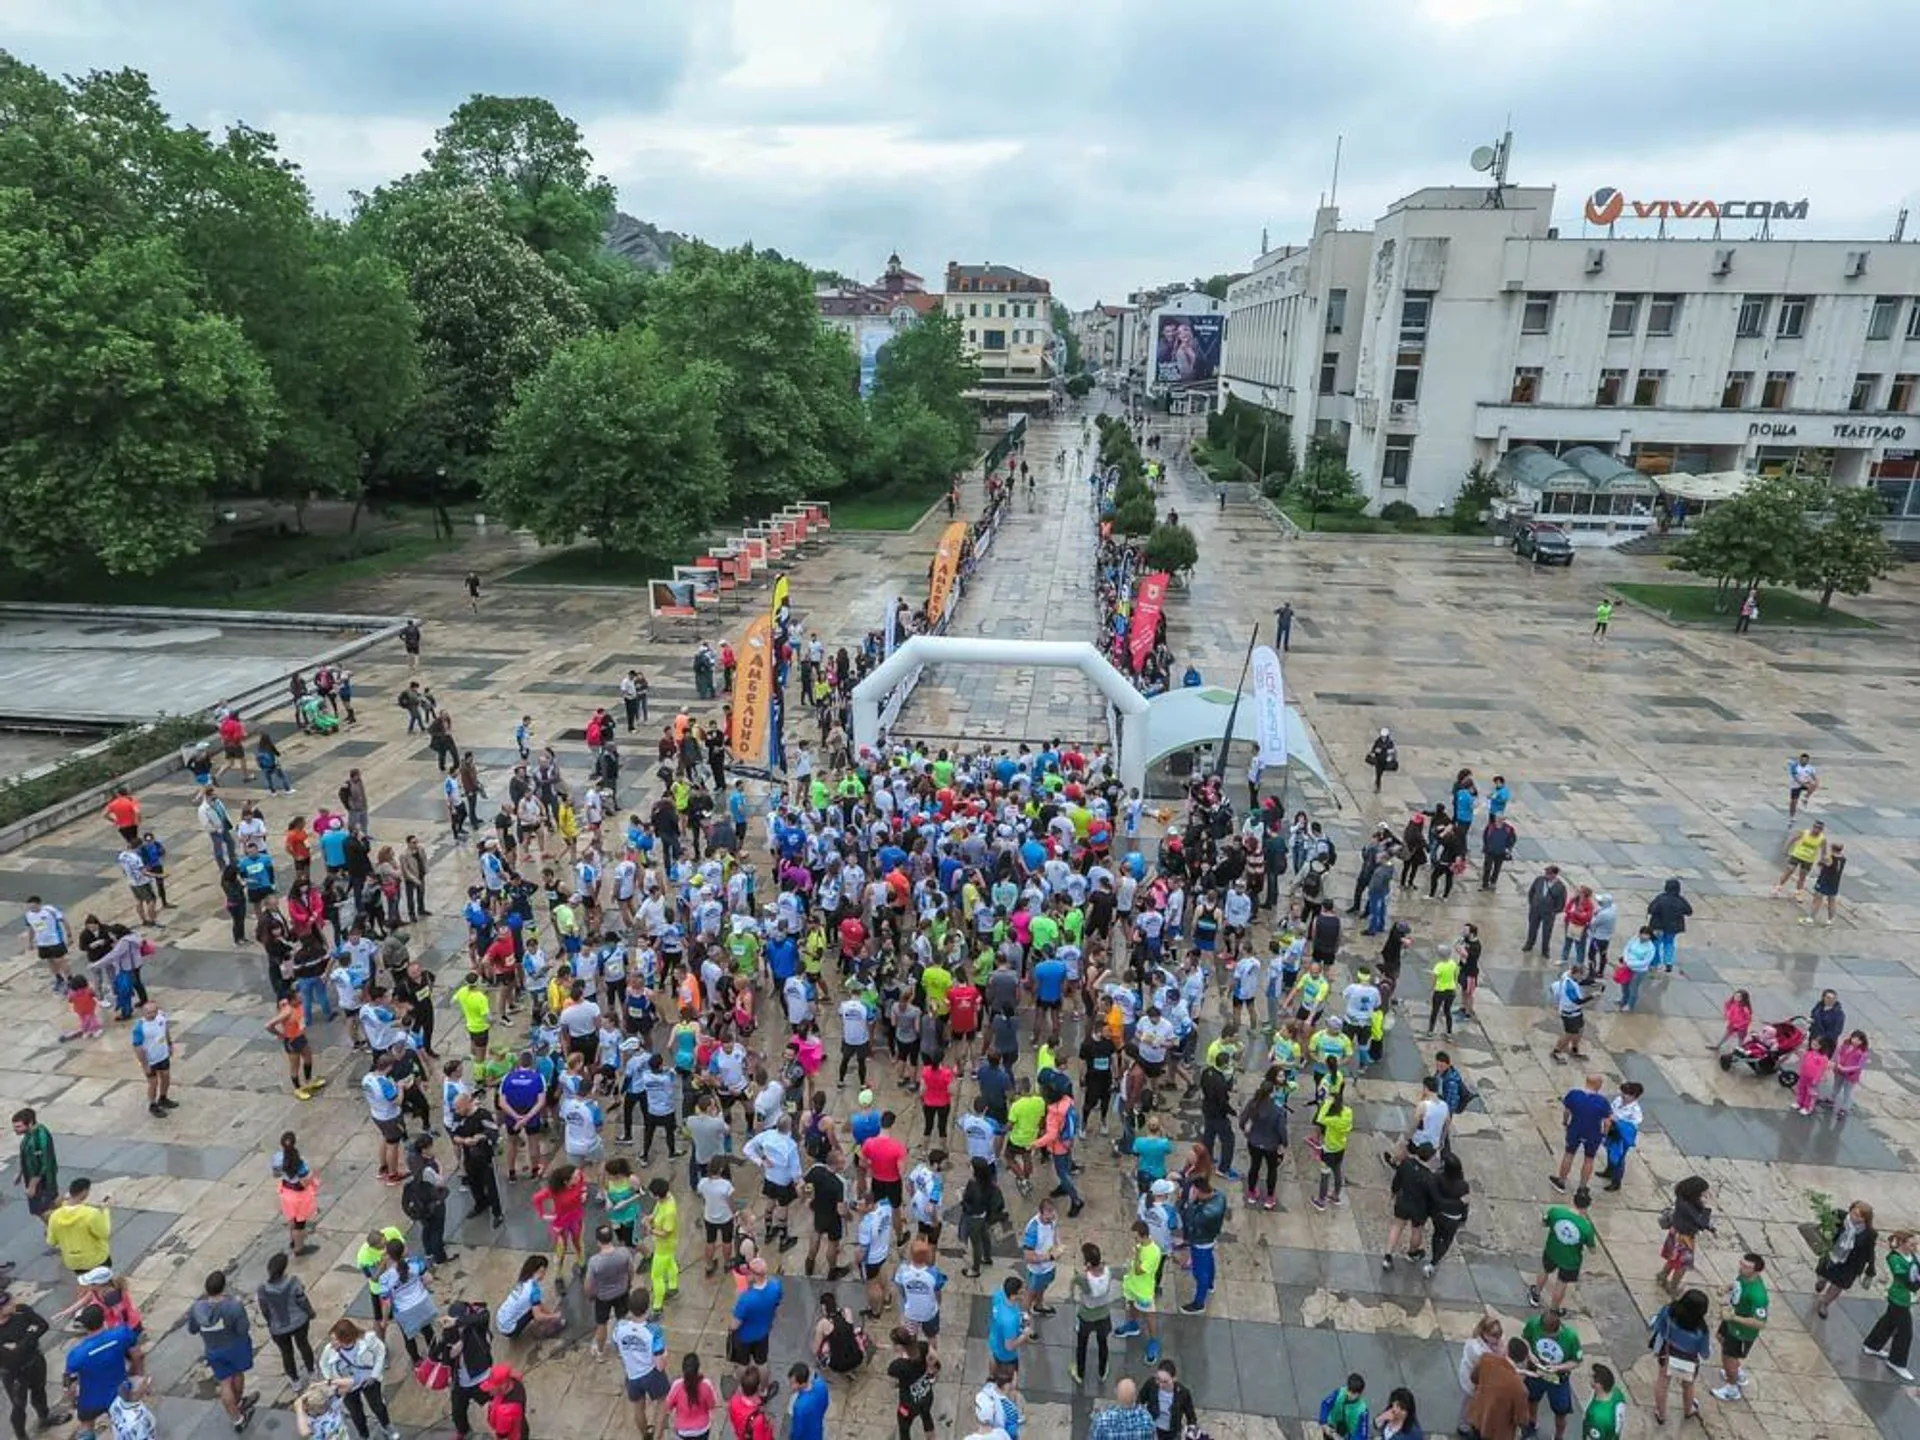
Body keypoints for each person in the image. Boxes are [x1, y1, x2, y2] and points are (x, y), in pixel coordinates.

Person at [187, 1271, 258, 1431]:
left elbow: (192, 1329)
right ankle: (237, 1403)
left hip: (213, 1350)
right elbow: (243, 1329)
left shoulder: (197, 1308)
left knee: (225, 1382)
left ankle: (237, 1419)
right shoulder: (233, 1306)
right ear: (223, 1287)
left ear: (206, 1289)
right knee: (237, 1374)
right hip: (234, 1348)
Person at [0, 1289, 70, 1440]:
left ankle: (44, 1418)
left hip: (35, 1361)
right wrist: (30, 1332)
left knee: (39, 1391)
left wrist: (20, 1344)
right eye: (8, 1304)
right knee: (19, 1406)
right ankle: (21, 1436)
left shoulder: (22, 1310)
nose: (13, 1303)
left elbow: (43, 1325)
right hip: (14, 1375)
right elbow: (11, 1357)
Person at [62, 1307, 140, 1440]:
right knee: (126, 1424)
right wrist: (135, 1373)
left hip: (90, 1400)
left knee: (86, 1427)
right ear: (103, 1319)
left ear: (84, 1326)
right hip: (120, 1393)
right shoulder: (122, 1334)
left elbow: (69, 1383)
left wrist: (71, 1401)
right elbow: (137, 1355)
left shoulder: (77, 1354)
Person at [1648, 1287, 1711, 1426]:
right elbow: (1705, 1353)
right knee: (1688, 1386)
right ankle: (1688, 1410)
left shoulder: (1669, 1312)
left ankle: (1661, 1413)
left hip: (1667, 1354)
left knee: (1662, 1383)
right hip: (1689, 1361)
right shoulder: (1701, 1330)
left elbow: (1659, 1326)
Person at [1712, 1251, 1769, 1402]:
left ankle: (1732, 1388)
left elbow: (1760, 1322)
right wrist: (1726, 1288)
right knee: (1720, 1337)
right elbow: (1737, 1284)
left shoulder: (1758, 1295)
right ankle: (1736, 1371)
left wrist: (1733, 1318)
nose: (1741, 1268)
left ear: (1756, 1271)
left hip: (1741, 1332)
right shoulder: (1744, 1276)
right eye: (1741, 1264)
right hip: (1731, 1319)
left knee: (1728, 1358)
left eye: (1746, 1267)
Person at [1530, 1186, 1597, 1312]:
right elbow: (1592, 1250)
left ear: (1573, 1200)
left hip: (1552, 1251)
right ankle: (1554, 1310)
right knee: (1561, 1283)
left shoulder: (1556, 1212)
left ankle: (1536, 1294)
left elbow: (1543, 1223)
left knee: (1545, 1270)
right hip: (1570, 1261)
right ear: (1587, 1206)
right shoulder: (1586, 1228)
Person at [1863, 1229, 1919, 1382]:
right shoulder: (1894, 1259)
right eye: (1912, 1244)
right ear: (1902, 1243)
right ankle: (1897, 1362)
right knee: (1905, 1332)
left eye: (1916, 1244)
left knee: (1889, 1321)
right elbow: (1905, 1278)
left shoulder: (1912, 1256)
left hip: (1907, 1297)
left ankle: (1872, 1345)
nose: (1915, 1247)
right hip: (1898, 1298)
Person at [611, 1292, 669, 1437]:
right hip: (651, 1373)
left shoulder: (619, 1327)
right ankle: (657, 1436)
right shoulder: (654, 1331)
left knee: (638, 1407)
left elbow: (616, 1348)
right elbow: (660, 1364)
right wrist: (665, 1356)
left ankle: (645, 1434)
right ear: (647, 1308)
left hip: (632, 1375)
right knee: (663, 1402)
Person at [1518, 1309, 1581, 1440]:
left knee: (1561, 1411)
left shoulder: (1570, 1337)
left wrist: (1558, 1368)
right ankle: (1532, 1424)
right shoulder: (1533, 1324)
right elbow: (1525, 1339)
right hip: (1536, 1372)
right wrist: (1530, 1354)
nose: (1546, 1337)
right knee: (1531, 1399)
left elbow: (1576, 1361)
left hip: (1558, 1379)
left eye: (1550, 1336)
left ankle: (1559, 1436)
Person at [257, 1251, 317, 1385]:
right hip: (299, 1321)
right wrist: (310, 1312)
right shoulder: (293, 1281)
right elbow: (302, 1300)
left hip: (278, 1328)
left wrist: (270, 1323)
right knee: (304, 1345)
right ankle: (311, 1371)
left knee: (286, 1353)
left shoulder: (262, 1289)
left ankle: (295, 1380)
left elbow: (264, 1309)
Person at [1814, 1200, 1877, 1319]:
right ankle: (1821, 1282)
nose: (1855, 1217)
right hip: (1832, 1254)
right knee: (1823, 1275)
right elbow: (1824, 1224)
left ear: (1866, 1219)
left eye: (1860, 1216)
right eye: (1854, 1213)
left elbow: (1870, 1252)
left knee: (1838, 1285)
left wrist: (1870, 1270)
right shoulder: (1838, 1217)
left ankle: (1825, 1303)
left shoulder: (1869, 1233)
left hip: (1850, 1263)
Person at [1658, 1176, 1715, 1295]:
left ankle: (1662, 1276)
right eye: (1703, 1192)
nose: (1706, 1194)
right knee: (1682, 1265)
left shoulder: (1682, 1199)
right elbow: (1701, 1223)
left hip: (1675, 1233)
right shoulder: (1688, 1206)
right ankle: (1673, 1287)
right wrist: (1706, 1209)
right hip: (1684, 1239)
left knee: (1673, 1258)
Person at [1466, 1338, 1531, 1440]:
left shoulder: (1486, 1359)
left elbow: (1474, 1378)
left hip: (1477, 1417)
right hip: (1497, 1433)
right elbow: (1521, 1419)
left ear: (1507, 1350)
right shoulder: (1520, 1388)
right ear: (1524, 1359)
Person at [886, 1327, 938, 1440]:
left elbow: (892, 1384)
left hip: (908, 1406)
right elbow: (934, 1356)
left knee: (904, 1430)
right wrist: (929, 1370)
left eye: (893, 1344)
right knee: (926, 1417)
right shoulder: (922, 1346)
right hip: (926, 1395)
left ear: (899, 1346)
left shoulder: (896, 1366)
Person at [494, 1257, 564, 1342]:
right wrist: (555, 1316)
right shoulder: (534, 1290)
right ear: (540, 1271)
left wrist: (549, 1313)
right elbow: (538, 1316)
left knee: (535, 1305)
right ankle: (546, 1330)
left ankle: (550, 1319)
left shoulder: (523, 1280)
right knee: (533, 1311)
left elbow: (538, 1303)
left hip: (500, 1318)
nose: (545, 1273)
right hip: (508, 1329)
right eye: (543, 1271)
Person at [662, 1353, 719, 1440]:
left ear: (683, 1369)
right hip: (702, 1429)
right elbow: (712, 1405)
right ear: (698, 1368)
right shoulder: (706, 1385)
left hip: (683, 1430)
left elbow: (668, 1406)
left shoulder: (677, 1385)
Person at [12, 1111, 57, 1220]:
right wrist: (20, 1172)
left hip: (43, 1182)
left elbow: (40, 1166)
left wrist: (32, 1187)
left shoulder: (37, 1140)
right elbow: (26, 1155)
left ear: (30, 1123)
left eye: (18, 1127)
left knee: (42, 1211)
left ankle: (54, 1226)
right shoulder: (30, 1134)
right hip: (34, 1178)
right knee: (46, 1206)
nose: (15, 1130)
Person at [1137, 1360, 1196, 1440]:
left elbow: (1191, 1417)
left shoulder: (1182, 1393)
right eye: (1158, 1379)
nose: (1161, 1385)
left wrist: (1191, 1432)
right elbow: (1139, 1400)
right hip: (1152, 1428)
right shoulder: (1151, 1384)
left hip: (1172, 1433)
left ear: (1174, 1379)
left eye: (1165, 1382)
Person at [1317, 1372, 1370, 1439]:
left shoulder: (1363, 1411)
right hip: (1332, 1427)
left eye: (1353, 1393)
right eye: (1349, 1390)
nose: (1350, 1395)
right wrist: (1324, 1423)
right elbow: (1326, 1404)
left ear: (1359, 1394)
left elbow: (1362, 1434)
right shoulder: (1339, 1393)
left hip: (1349, 1435)